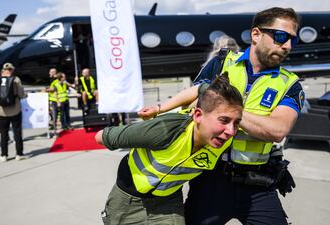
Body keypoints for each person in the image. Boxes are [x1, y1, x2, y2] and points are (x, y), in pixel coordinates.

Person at [139, 7, 303, 225]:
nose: (287, 46)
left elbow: (277, 130)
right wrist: (161, 109)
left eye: (292, 39)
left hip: (258, 185)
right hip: (209, 179)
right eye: (281, 37)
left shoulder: (290, 84)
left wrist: (223, 110)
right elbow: (193, 102)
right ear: (256, 34)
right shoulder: (220, 64)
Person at [95, 74, 243, 225]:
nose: (231, 131)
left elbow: (202, 88)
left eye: (237, 123)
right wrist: (159, 110)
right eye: (224, 120)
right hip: (128, 204)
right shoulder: (163, 130)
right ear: (198, 115)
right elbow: (101, 137)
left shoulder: (224, 137)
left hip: (168, 204)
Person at [0, 63, 27, 162]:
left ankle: (4, 155)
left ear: (3, 70)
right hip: (15, 110)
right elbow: (21, 94)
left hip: (2, 111)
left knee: (3, 133)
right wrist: (24, 95)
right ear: (12, 70)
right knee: (17, 132)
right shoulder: (16, 79)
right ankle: (19, 154)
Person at [45, 68, 59, 135]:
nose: (50, 73)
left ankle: (54, 124)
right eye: (50, 72)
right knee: (50, 111)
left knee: (54, 112)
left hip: (54, 98)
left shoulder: (56, 80)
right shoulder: (50, 79)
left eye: (52, 72)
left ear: (55, 73)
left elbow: (53, 89)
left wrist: (45, 90)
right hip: (50, 97)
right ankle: (52, 122)